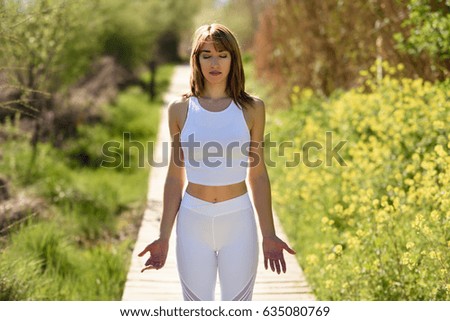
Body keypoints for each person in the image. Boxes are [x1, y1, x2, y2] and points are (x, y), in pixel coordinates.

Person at [138, 23, 295, 301]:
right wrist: (163, 237)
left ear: (233, 59)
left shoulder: (252, 108)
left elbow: (257, 175)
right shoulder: (180, 109)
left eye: (223, 55)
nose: (215, 62)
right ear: (196, 59)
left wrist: (269, 234)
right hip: (192, 221)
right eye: (206, 54)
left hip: (239, 221)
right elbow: (175, 177)